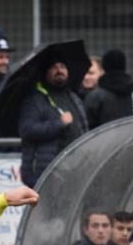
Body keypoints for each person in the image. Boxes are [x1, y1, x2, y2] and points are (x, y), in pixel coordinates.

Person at [18, 55, 88, 188]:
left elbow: (84, 128)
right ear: (46, 72)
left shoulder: (74, 98)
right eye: (54, 67)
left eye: (62, 66)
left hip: (75, 169)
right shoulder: (35, 100)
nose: (59, 70)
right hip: (46, 171)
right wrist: (59, 123)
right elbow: (27, 130)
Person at [83, 49, 133, 130]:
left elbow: (86, 130)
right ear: (124, 65)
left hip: (106, 141)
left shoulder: (95, 97)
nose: (86, 77)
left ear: (104, 68)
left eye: (90, 73)